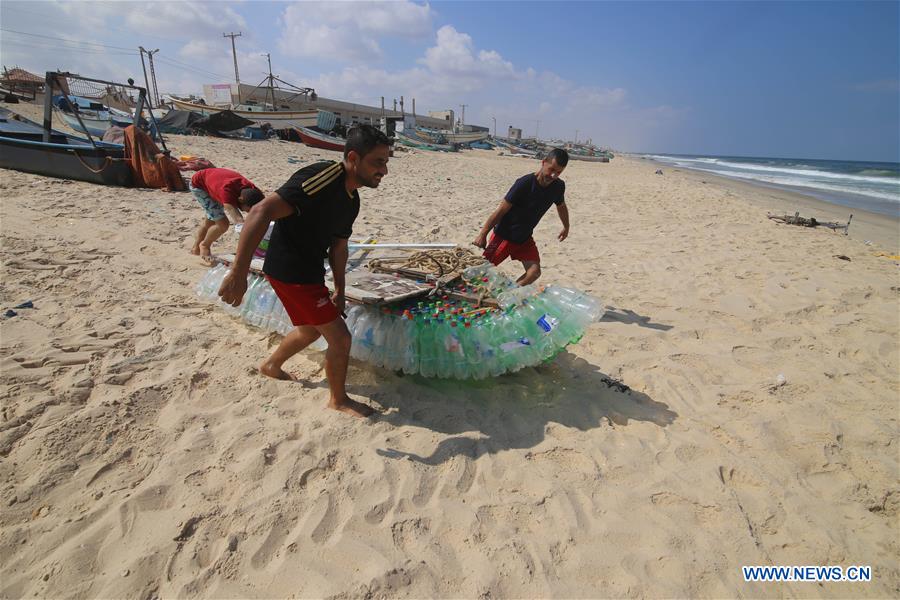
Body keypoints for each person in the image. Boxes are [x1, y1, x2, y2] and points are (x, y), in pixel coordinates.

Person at [218, 124, 392, 419]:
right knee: (341, 338)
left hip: (308, 272)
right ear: (353, 158)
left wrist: (339, 288)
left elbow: (339, 248)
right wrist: (239, 271)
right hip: (291, 270)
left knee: (311, 329)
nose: (384, 170)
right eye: (378, 162)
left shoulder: (352, 200)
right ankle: (338, 400)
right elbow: (261, 211)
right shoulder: (322, 177)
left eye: (386, 162)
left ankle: (271, 366)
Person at [473, 148, 570, 285]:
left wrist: (566, 226)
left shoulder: (558, 186)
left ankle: (509, 295)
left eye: (558, 172)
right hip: (504, 236)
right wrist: (483, 234)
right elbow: (501, 210)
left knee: (534, 272)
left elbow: (561, 206)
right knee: (481, 271)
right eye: (551, 169)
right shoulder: (524, 183)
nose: (553, 175)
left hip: (524, 239)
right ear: (543, 163)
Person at [190, 168, 264, 263]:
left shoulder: (254, 191)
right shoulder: (227, 193)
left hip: (213, 180)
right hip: (199, 185)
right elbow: (238, 219)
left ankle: (195, 248)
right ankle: (204, 245)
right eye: (248, 210)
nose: (249, 213)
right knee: (223, 224)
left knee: (212, 219)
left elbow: (263, 209)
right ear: (240, 200)